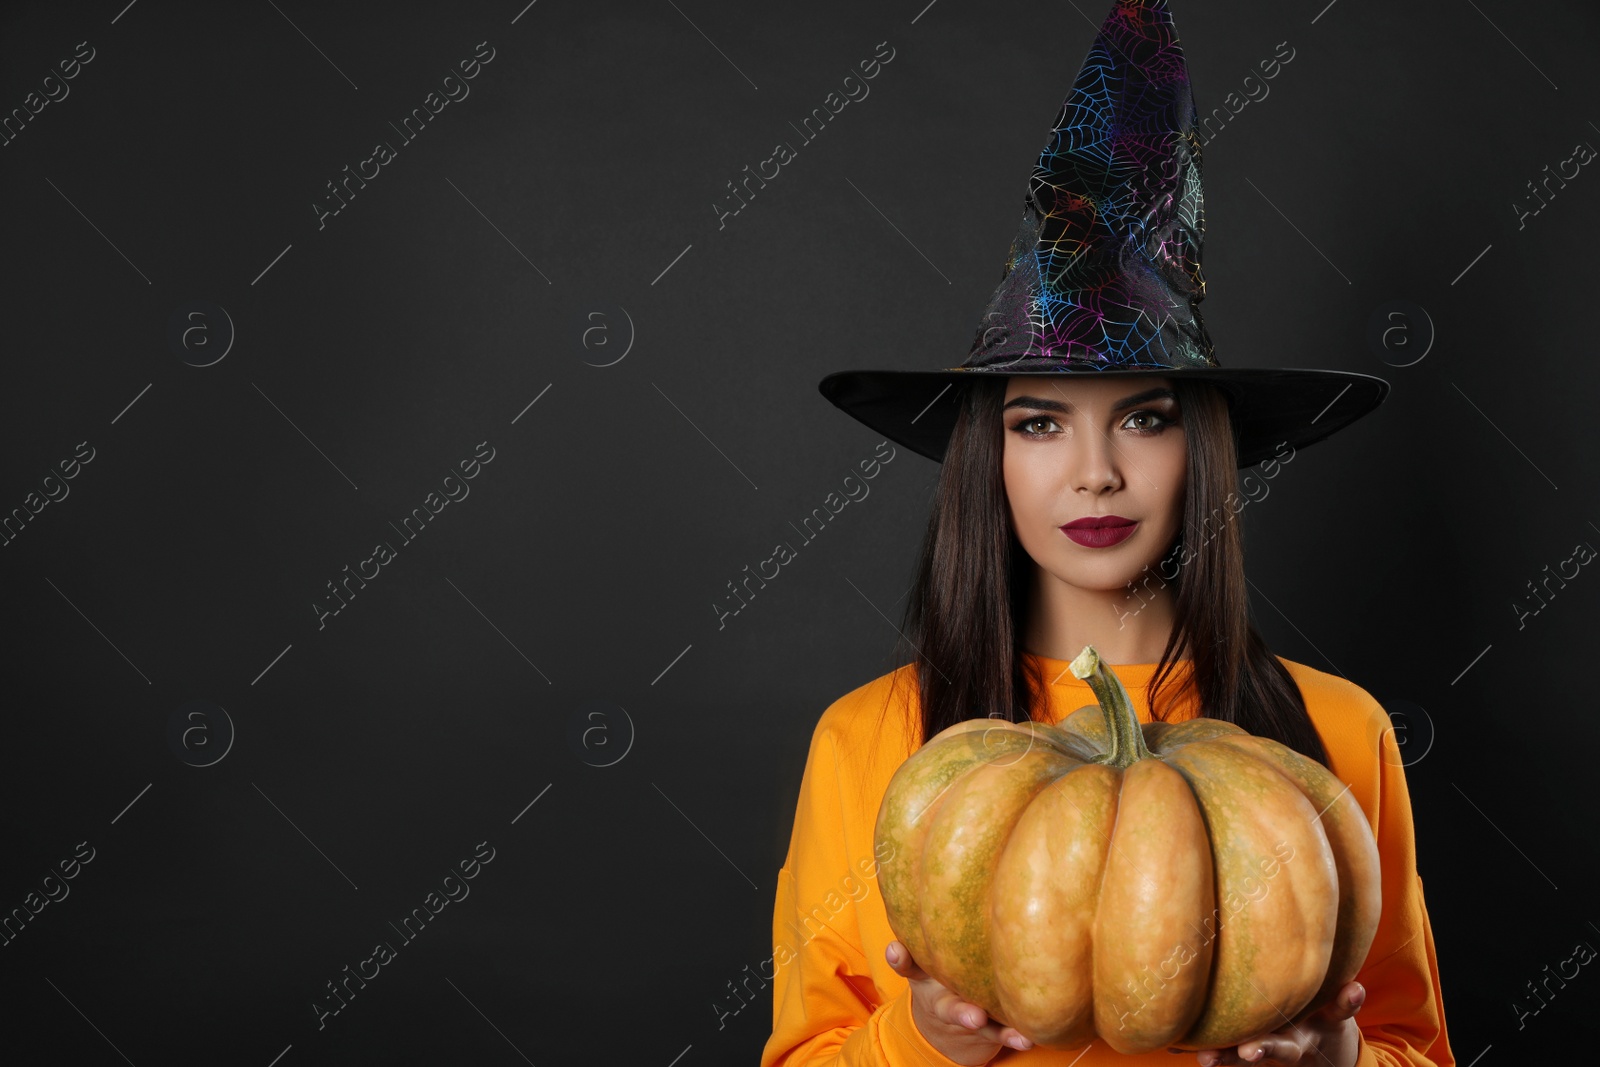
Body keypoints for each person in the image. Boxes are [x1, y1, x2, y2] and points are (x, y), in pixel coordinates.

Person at [762, 1, 1453, 1064]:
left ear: (1203, 452)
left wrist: (1336, 1057)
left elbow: (1417, 1046)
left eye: (1144, 416)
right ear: (990, 459)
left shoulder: (1337, 732)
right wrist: (924, 1038)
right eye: (1039, 422)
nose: (1094, 469)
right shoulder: (869, 740)